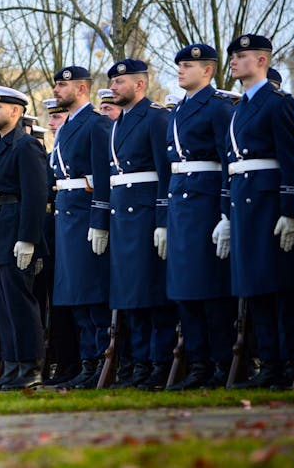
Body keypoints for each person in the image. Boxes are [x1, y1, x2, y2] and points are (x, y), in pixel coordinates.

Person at [220, 34, 294, 389]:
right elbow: (231, 163)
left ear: (261, 61)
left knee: (277, 287)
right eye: (233, 57)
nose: (235, 62)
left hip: (268, 205)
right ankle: (269, 362)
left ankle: (284, 363)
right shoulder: (239, 107)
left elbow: (290, 159)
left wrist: (288, 208)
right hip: (244, 204)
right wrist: (226, 213)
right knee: (254, 287)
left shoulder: (275, 103)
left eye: (241, 56)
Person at [164, 45, 236, 389]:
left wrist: (226, 212)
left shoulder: (218, 107)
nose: (180, 70)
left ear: (207, 71)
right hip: (181, 204)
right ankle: (198, 363)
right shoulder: (179, 109)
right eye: (179, 65)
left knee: (210, 289)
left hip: (205, 203)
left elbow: (228, 162)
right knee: (184, 290)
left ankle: (221, 363)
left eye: (188, 65)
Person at [104, 60, 175, 390]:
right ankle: (139, 364)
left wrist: (162, 218)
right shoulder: (119, 123)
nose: (114, 87)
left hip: (146, 215)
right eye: (113, 82)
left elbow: (166, 173)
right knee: (130, 295)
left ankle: (159, 363)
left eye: (120, 82)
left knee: (152, 294)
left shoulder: (156, 117)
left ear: (140, 85)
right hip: (123, 217)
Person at [0, 86, 49, 390]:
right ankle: (11, 366)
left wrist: (28, 238)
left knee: (21, 302)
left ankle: (30, 367)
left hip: (15, 230)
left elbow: (35, 195)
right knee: (4, 306)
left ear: (16, 112)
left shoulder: (26, 146)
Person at [48, 67, 113, 389]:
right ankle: (87, 362)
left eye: (63, 85)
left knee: (92, 294)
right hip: (68, 217)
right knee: (76, 296)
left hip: (85, 216)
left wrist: (100, 220)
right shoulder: (69, 125)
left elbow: (103, 176)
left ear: (83, 88)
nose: (57, 90)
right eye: (57, 84)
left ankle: (102, 360)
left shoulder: (96, 124)